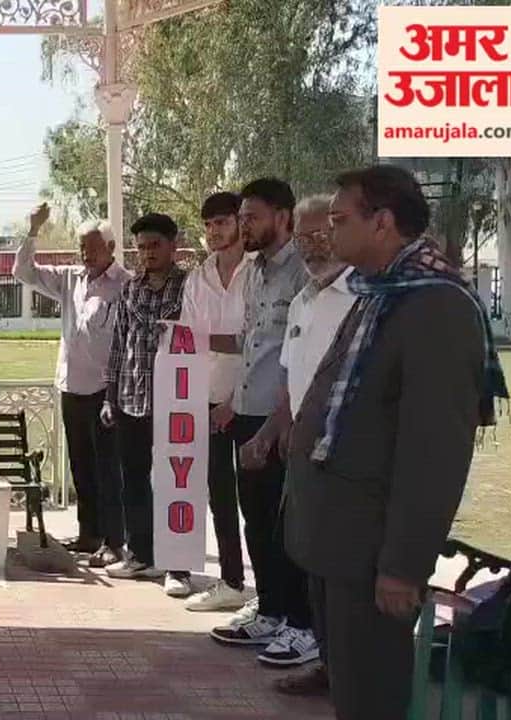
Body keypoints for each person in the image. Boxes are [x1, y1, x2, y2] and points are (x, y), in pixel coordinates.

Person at [286, 166, 507, 719]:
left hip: (373, 549)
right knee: (353, 690)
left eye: (340, 219)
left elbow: (432, 452)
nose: (328, 232)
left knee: (373, 694)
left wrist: (404, 566)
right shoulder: (380, 292)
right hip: (340, 540)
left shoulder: (435, 305)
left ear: (382, 222)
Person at [207, 178, 317, 669]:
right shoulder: (254, 273)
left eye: (252, 217)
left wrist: (281, 417)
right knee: (255, 516)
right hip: (248, 411)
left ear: (283, 218)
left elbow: (299, 355)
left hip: (283, 416)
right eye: (242, 216)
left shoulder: (303, 273)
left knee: (284, 522)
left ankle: (302, 623)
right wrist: (230, 397)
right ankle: (270, 609)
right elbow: (253, 343)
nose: (244, 225)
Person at [269, 194, 357, 697]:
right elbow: (291, 375)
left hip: (346, 455)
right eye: (303, 237)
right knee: (309, 559)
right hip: (302, 451)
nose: (311, 246)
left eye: (322, 233)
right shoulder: (303, 298)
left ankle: (352, 673)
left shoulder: (366, 296)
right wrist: (275, 430)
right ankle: (327, 662)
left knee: (342, 570)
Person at [11, 204, 130, 566]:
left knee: (108, 469)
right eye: (81, 247)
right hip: (71, 386)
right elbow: (23, 271)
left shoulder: (126, 285)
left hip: (107, 391)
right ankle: (88, 534)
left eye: (91, 247)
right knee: (81, 465)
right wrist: (33, 231)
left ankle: (114, 541)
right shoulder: (70, 278)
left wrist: (117, 391)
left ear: (110, 248)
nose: (84, 254)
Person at [100, 213, 192, 597]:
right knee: (134, 478)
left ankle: (179, 568)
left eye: (155, 246)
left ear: (173, 245)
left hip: (176, 400)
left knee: (175, 482)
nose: (148, 254)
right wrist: (109, 397)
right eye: (141, 248)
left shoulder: (189, 287)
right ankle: (140, 555)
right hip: (131, 398)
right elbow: (119, 343)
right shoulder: (130, 289)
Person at [179, 191, 251, 612]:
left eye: (221, 222)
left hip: (255, 401)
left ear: (240, 224)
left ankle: (276, 593)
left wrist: (216, 341)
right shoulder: (198, 278)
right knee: (219, 494)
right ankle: (231, 581)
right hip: (206, 399)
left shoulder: (258, 272)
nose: (213, 232)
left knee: (260, 502)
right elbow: (188, 340)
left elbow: (257, 341)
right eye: (208, 225)